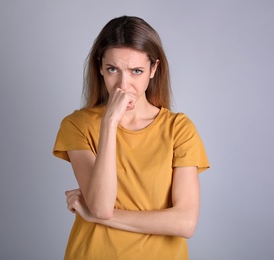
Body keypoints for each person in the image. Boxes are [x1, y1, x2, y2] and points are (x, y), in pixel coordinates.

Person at [53, 15, 209, 260]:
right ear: (100, 68)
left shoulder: (179, 128)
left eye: (136, 71)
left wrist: (93, 214)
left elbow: (185, 222)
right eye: (113, 69)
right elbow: (102, 205)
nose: (123, 86)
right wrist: (109, 123)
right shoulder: (77, 125)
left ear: (153, 69)